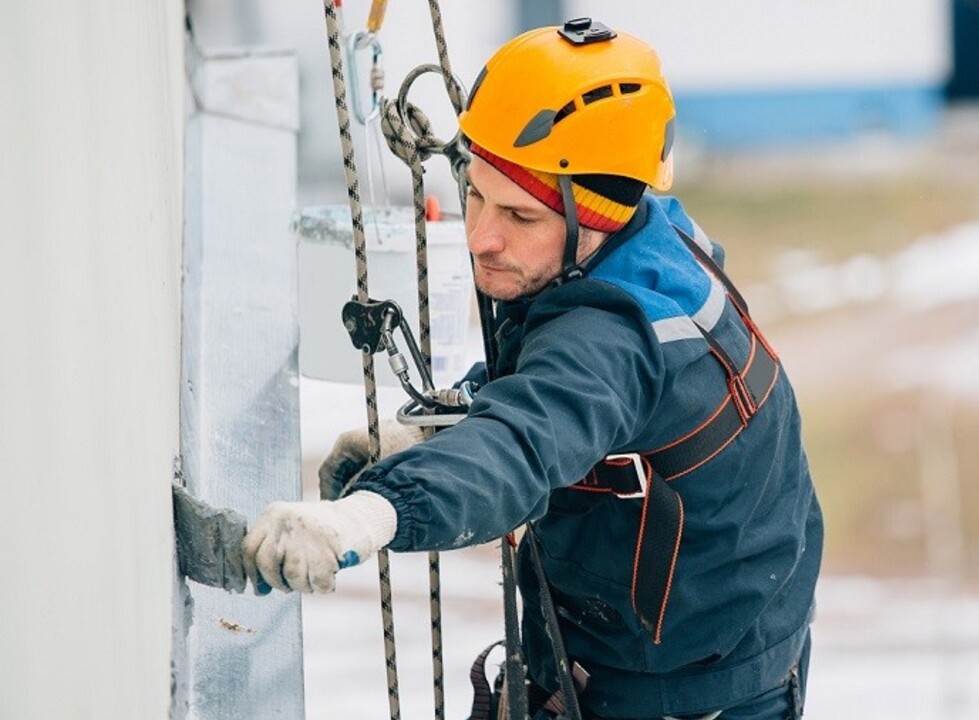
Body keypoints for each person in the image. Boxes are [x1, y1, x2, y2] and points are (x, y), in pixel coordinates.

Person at [243, 18, 823, 720]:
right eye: (478, 195)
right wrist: (436, 438)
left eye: (519, 215)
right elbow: (557, 402)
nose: (481, 237)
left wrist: (375, 512)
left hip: (681, 694)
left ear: (598, 215)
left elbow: (526, 439)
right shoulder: (649, 234)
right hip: (682, 646)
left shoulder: (615, 336)